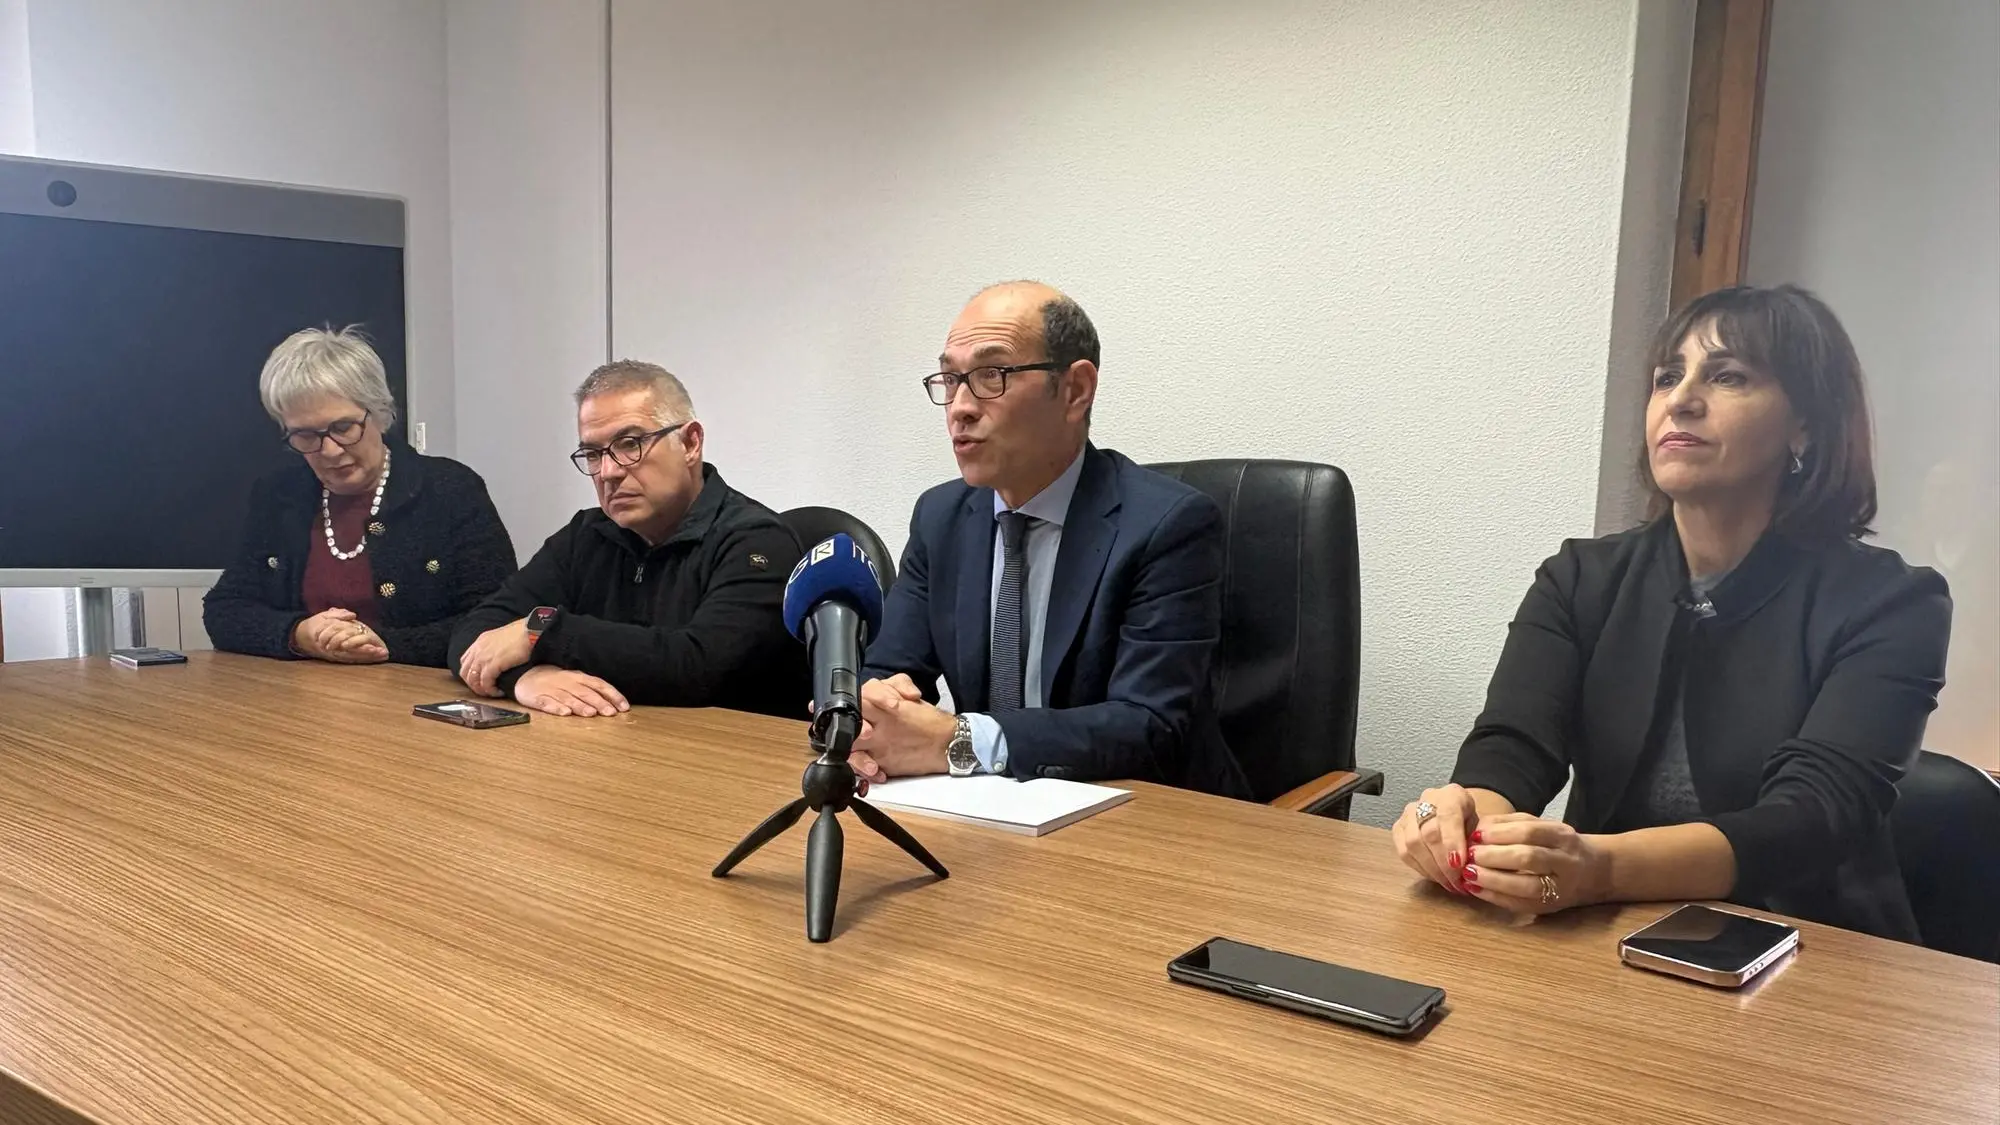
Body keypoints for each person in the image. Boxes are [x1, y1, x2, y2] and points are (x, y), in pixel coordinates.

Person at [1393, 285, 1951, 941]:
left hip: (1810, 947)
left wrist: (1599, 868)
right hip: (1598, 930)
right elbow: (1512, 747)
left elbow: (1813, 815)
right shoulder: (1579, 577)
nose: (1680, 399)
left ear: (1805, 424)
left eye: (1728, 376)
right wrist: (1464, 824)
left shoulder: (1893, 602)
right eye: (1667, 377)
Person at [851, 281, 1251, 797]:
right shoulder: (941, 517)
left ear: (1075, 391)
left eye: (991, 375)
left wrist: (961, 740)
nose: (959, 408)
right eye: (951, 379)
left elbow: (1150, 725)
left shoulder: (1169, 525)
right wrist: (871, 716)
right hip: (989, 808)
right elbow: (890, 671)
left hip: (1144, 814)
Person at [448, 361, 806, 719]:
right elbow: (474, 636)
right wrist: (525, 678)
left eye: (630, 444)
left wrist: (543, 631)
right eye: (593, 454)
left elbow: (702, 667)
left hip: (724, 745)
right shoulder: (586, 535)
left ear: (690, 443)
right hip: (611, 739)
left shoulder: (757, 539)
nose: (609, 472)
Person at [204, 326, 516, 667]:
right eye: (306, 435)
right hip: (298, 694)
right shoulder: (278, 496)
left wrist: (383, 645)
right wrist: (298, 634)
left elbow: (497, 621)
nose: (330, 451)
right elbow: (225, 610)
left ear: (379, 414)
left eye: (343, 428)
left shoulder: (451, 489)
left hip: (416, 691)